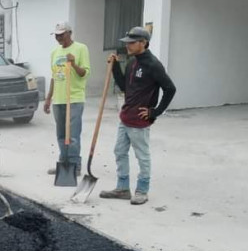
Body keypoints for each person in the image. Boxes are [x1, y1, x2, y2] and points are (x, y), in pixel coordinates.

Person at [100, 27, 177, 205]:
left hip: (139, 121)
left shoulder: (153, 65)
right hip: (126, 116)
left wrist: (155, 111)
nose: (128, 45)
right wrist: (115, 67)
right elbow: (124, 87)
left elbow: (170, 89)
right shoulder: (132, 63)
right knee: (119, 152)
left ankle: (142, 190)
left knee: (142, 156)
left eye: (132, 42)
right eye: (127, 42)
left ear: (143, 43)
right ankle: (122, 188)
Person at [44, 21, 91, 176]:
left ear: (69, 33)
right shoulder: (54, 52)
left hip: (74, 98)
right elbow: (54, 76)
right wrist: (48, 98)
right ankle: (63, 164)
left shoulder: (81, 48)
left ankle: (75, 165)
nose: (58, 38)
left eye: (61, 35)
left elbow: (84, 73)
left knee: (73, 136)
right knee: (61, 135)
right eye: (56, 35)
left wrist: (74, 64)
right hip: (58, 99)